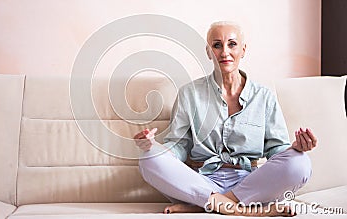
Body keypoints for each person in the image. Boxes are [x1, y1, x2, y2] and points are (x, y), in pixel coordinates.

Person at [133, 21, 317, 217]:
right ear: (208, 51)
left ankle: (210, 204)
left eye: (232, 44)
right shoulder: (189, 94)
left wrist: (295, 148)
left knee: (300, 162)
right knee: (149, 159)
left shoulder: (264, 96)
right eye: (217, 45)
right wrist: (153, 146)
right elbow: (178, 146)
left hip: (249, 185)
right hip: (203, 182)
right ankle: (242, 211)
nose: (224, 52)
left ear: (243, 50)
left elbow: (276, 152)